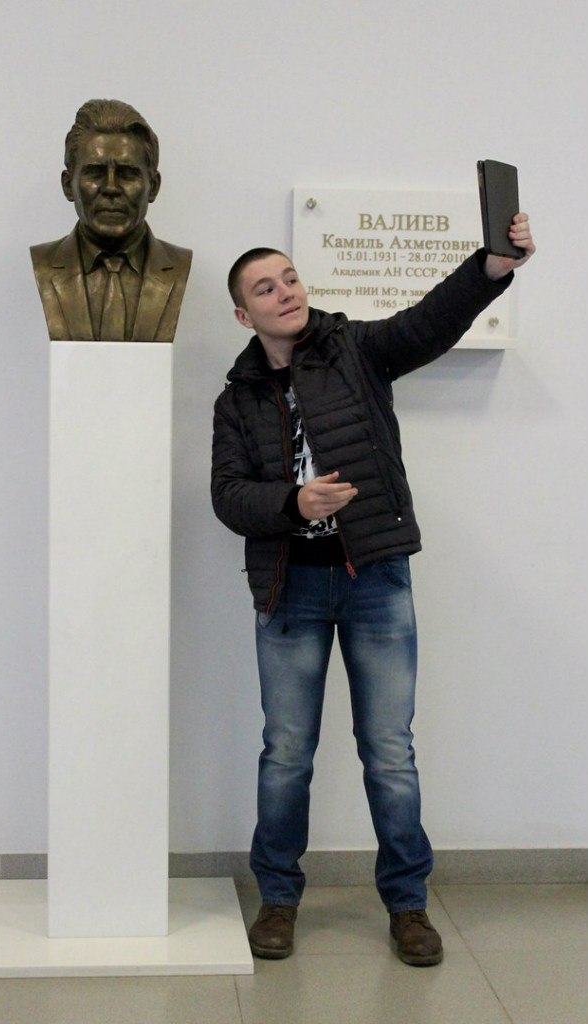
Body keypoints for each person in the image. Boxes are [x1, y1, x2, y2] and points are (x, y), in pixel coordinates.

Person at [211, 214, 535, 964]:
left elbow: (429, 322)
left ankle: (408, 905)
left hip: (376, 579)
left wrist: (489, 267)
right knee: (286, 752)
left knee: (389, 751)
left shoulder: (355, 348)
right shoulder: (237, 399)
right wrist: (293, 504)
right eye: (265, 288)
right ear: (244, 315)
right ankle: (278, 899)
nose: (286, 292)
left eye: (290, 278)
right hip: (289, 588)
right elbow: (228, 496)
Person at [31, 99, 192, 342]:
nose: (111, 188)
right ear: (68, 185)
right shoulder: (43, 264)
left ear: (153, 187)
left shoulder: (178, 266)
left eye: (128, 174)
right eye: (94, 173)